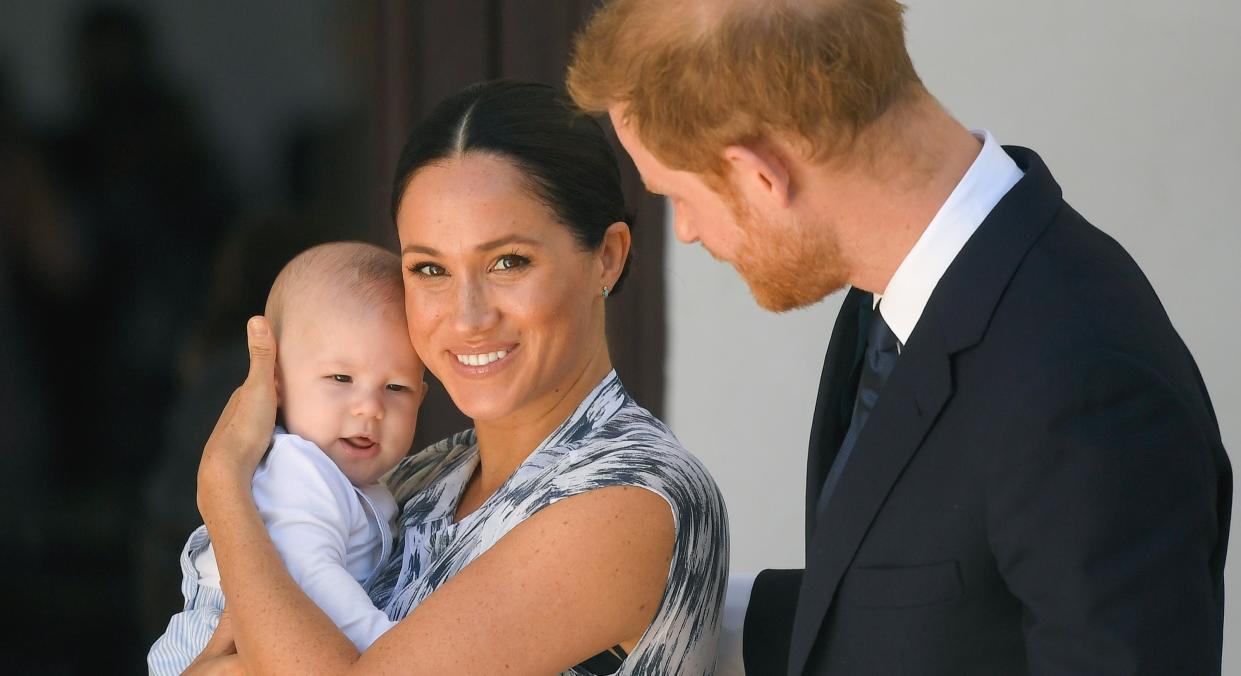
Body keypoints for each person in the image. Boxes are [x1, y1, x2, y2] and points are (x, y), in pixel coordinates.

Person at [567, 1, 1231, 674]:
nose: (685, 230)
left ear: (760, 175)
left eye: (677, 195)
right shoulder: (900, 292)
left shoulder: (1084, 385)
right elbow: (930, 606)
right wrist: (650, 610)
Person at [186, 80, 728, 675]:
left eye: (508, 262)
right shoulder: (421, 478)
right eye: (429, 268)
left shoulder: (631, 496)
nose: (468, 317)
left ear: (608, 256)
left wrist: (223, 487)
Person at [148, 242, 427, 674]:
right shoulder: (298, 470)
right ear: (275, 383)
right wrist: (387, 650)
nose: (370, 408)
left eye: (396, 388)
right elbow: (312, 579)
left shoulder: (356, 481)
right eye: (341, 378)